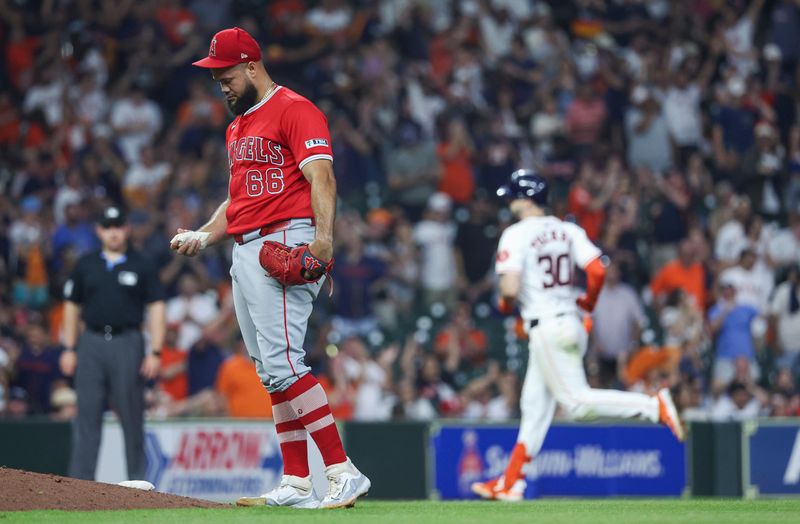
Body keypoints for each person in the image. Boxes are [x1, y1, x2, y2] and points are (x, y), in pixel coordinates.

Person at [171, 27, 369, 509]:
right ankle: (298, 481)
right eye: (216, 75)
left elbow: (320, 174)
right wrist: (205, 232)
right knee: (270, 372)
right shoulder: (237, 126)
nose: (220, 82)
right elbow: (238, 199)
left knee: (284, 364)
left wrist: (323, 241)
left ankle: (342, 471)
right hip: (246, 247)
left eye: (226, 73)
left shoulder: (295, 109)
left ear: (252, 66)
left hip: (284, 242)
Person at [471, 170, 684, 502]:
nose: (510, 201)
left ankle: (652, 405)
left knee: (577, 403)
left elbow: (509, 290)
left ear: (527, 200)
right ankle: (512, 481)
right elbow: (597, 269)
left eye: (513, 196)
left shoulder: (515, 234)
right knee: (534, 405)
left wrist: (504, 302)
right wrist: (589, 301)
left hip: (547, 327)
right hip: (571, 321)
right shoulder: (567, 229)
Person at [60, 205, 165, 481]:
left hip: (128, 341)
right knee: (87, 417)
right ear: (99, 231)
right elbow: (71, 307)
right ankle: (79, 487)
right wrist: (69, 348)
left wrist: (155, 351)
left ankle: (138, 482)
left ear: (127, 229)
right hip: (91, 342)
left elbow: (156, 307)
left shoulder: (141, 264)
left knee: (132, 416)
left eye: (118, 226)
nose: (113, 232)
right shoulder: (86, 264)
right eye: (108, 227)